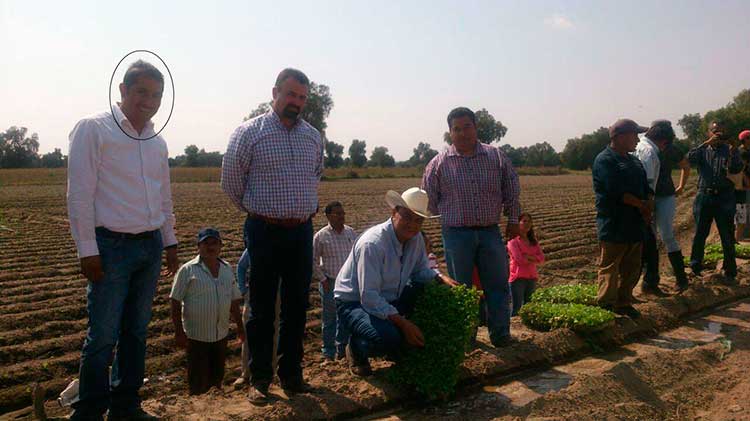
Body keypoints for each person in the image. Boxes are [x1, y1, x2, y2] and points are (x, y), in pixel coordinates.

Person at [66, 60, 179, 420]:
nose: (149, 101)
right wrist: (87, 250)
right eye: (142, 92)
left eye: (157, 94)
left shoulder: (156, 140)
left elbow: (164, 197)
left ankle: (126, 406)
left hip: (148, 246)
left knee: (136, 332)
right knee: (102, 336)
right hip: (110, 247)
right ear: (123, 91)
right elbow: (79, 196)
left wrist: (170, 241)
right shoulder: (94, 129)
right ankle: (89, 411)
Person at [221, 68, 324, 404]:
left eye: (302, 97)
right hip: (264, 231)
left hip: (301, 231)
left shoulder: (313, 137)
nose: (296, 102)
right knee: (262, 308)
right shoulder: (249, 133)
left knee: (297, 307)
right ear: (275, 92)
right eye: (291, 94)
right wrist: (259, 213)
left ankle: (292, 377)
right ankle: (260, 379)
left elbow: (315, 176)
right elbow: (231, 183)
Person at [422, 106, 521, 347]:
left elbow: (512, 190)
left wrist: (513, 220)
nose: (463, 133)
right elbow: (429, 201)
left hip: (490, 231)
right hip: (456, 235)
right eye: (457, 129)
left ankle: (501, 335)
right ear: (450, 133)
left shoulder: (496, 156)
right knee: (462, 290)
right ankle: (467, 340)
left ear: (476, 128)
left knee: (497, 285)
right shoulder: (438, 164)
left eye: (467, 127)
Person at [334, 188, 459, 376]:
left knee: (421, 289)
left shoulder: (415, 239)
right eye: (407, 217)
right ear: (394, 212)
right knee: (389, 337)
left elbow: (420, 271)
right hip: (354, 303)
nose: (412, 225)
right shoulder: (373, 244)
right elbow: (369, 297)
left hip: (389, 296)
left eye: (418, 220)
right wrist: (404, 324)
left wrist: (440, 277)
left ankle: (397, 345)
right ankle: (357, 348)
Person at [170, 228, 245, 395]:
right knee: (197, 379)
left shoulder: (226, 269)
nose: (210, 247)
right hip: (196, 337)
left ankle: (214, 406)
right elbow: (175, 302)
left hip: (220, 335)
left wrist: (240, 327)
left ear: (220, 246)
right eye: (206, 243)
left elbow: (234, 302)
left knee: (217, 377)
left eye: (214, 243)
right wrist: (179, 332)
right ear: (199, 246)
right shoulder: (187, 270)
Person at [592, 119, 653, 319]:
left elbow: (645, 187)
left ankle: (624, 302)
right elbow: (617, 192)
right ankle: (606, 307)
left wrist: (648, 202)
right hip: (614, 223)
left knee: (632, 267)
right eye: (634, 135)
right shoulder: (605, 160)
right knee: (610, 267)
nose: (637, 139)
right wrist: (642, 206)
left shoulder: (634, 160)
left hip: (635, 223)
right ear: (619, 137)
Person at [688, 120, 743, 283]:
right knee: (700, 233)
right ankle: (695, 267)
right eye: (714, 131)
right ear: (708, 133)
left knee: (726, 234)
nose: (717, 134)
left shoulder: (730, 150)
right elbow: (689, 159)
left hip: (724, 196)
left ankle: (730, 270)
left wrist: (733, 151)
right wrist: (705, 144)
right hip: (704, 195)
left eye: (720, 131)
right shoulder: (703, 150)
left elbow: (736, 169)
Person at [645, 120, 691, 293]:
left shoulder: (671, 149)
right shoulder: (648, 148)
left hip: (664, 196)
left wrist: (681, 187)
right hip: (649, 196)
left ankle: (681, 279)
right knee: (650, 237)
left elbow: (685, 166)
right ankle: (651, 280)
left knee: (666, 234)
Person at [312, 201, 357, 362]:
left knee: (345, 317)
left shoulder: (351, 233)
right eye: (338, 214)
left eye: (343, 213)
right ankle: (328, 353)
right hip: (329, 282)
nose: (341, 217)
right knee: (330, 319)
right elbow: (312, 260)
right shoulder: (321, 236)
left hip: (348, 283)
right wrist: (322, 279)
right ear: (328, 216)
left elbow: (357, 256)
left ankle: (343, 350)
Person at [507, 213, 545, 316]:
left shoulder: (533, 241)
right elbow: (519, 260)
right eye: (524, 221)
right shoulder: (513, 242)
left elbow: (542, 258)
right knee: (517, 308)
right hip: (518, 278)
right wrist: (534, 258)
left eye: (529, 221)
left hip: (532, 277)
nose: (527, 224)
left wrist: (527, 256)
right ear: (518, 223)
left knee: (529, 307)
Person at [233, 249, 251, 388]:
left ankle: (271, 371)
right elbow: (241, 266)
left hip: (276, 291)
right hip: (254, 293)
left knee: (274, 333)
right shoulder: (255, 242)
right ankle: (246, 373)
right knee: (248, 333)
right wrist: (243, 289)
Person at [733, 130, 750, 242]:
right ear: (743, 139)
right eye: (749, 137)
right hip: (742, 187)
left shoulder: (745, 151)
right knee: (741, 212)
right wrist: (747, 181)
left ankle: (740, 237)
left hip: (744, 187)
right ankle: (738, 239)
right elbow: (741, 171)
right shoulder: (742, 152)